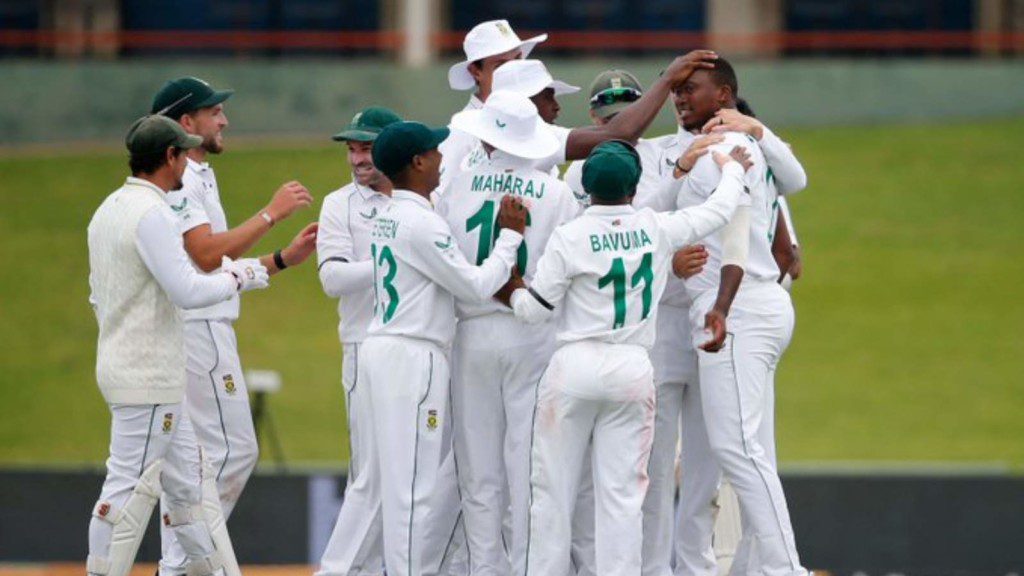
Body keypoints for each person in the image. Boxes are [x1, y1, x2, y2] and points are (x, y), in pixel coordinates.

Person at [497, 140, 751, 576]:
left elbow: (534, 312)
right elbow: (721, 210)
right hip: (631, 368)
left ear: (588, 188)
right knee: (622, 498)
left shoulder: (570, 235)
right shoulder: (656, 227)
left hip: (574, 366)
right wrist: (731, 168)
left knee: (553, 494)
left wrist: (513, 284)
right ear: (635, 187)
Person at [150, 76, 319, 575]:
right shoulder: (182, 179)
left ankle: (179, 563)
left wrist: (282, 260)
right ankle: (181, 566)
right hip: (199, 330)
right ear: (186, 123)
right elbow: (204, 256)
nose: (224, 120)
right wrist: (272, 213)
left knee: (193, 462)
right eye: (214, 112)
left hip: (207, 325)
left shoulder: (199, 174)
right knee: (232, 451)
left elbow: (215, 262)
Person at [86, 115, 269, 576]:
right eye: (184, 153)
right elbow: (188, 290)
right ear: (169, 158)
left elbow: (96, 295)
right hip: (149, 375)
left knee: (191, 487)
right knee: (128, 489)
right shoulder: (153, 213)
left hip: (135, 368)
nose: (190, 161)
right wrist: (241, 273)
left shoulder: (109, 208)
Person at [359, 120, 527, 576]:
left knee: (397, 484)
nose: (441, 158)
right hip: (413, 355)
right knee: (415, 487)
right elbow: (473, 287)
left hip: (384, 347)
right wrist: (510, 236)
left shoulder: (388, 213)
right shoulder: (422, 222)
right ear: (417, 162)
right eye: (434, 151)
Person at [668, 58, 810, 576]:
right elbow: (796, 185)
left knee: (740, 453)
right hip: (763, 303)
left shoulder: (725, 149)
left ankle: (784, 569)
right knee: (755, 453)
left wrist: (720, 309)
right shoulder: (743, 144)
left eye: (692, 89)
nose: (681, 97)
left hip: (737, 307)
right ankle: (755, 567)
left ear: (724, 93)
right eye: (677, 90)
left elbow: (732, 236)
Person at [434, 91, 579, 576]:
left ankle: (483, 569)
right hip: (531, 330)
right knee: (527, 465)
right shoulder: (555, 192)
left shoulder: (455, 184)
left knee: (478, 471)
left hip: (470, 330)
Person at [315, 106, 403, 576]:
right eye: (351, 149)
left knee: (415, 478)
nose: (356, 159)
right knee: (371, 475)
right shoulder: (338, 205)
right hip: (364, 348)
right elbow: (332, 278)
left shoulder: (422, 198)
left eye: (365, 148)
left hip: (426, 351)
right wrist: (393, 261)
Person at [439, 19, 548, 191]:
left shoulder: (531, 118)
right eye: (501, 65)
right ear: (476, 72)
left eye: (518, 60)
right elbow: (442, 198)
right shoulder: (459, 134)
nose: (513, 70)